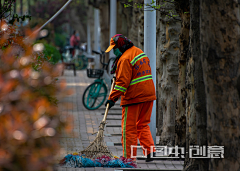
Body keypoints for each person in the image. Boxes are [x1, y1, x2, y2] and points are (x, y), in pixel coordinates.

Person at [105, 34, 156, 162]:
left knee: (128, 129)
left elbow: (122, 84)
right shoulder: (139, 52)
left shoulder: (125, 58)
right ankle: (150, 152)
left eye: (114, 48)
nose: (113, 51)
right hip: (148, 94)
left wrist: (112, 99)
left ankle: (128, 158)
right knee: (143, 124)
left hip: (134, 97)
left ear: (120, 45)